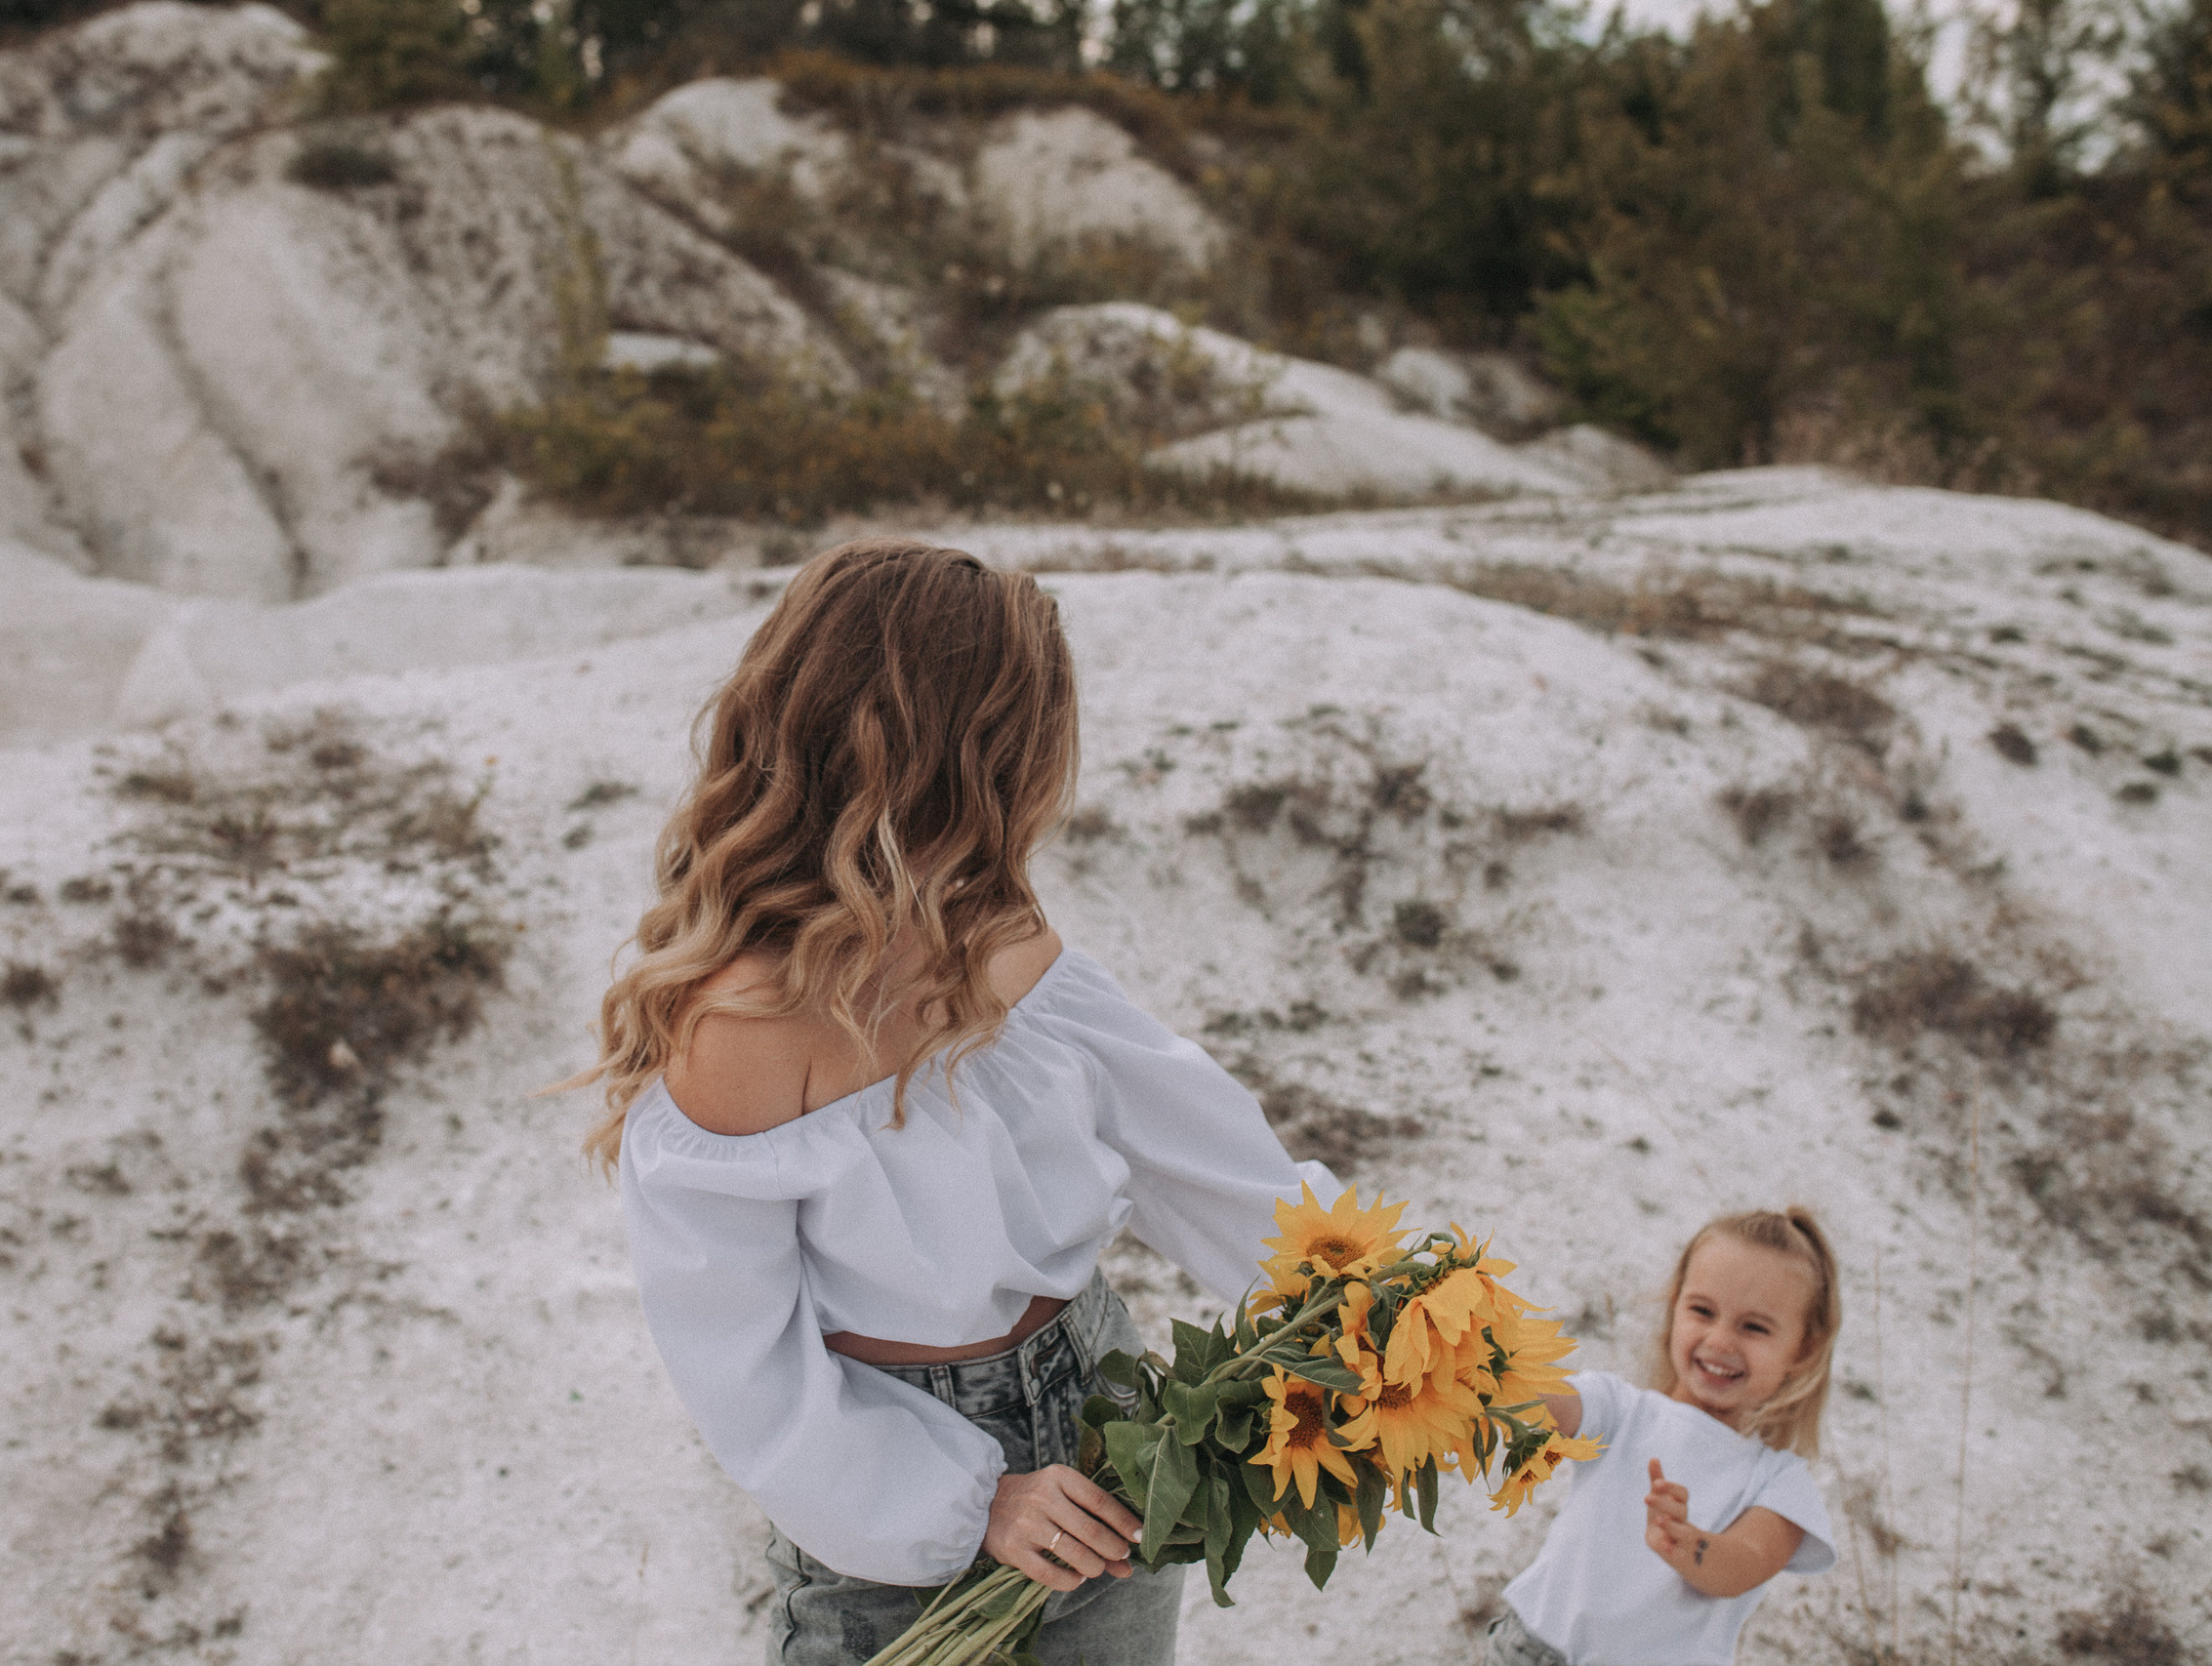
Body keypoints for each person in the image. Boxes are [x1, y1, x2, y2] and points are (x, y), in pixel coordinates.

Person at [570, 539, 1340, 1666]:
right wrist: (967, 1501)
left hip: (1105, 1420)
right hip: (888, 1486)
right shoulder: (739, 1032)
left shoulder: (1005, 937)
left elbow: (1191, 1151)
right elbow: (743, 1367)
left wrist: (1357, 1302)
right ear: (967, 761)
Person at [1484, 1208, 1844, 1666]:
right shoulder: (1621, 1409)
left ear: (1804, 1348)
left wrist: (1687, 1541)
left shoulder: (1780, 1480)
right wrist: (1484, 1355)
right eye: (1702, 1311)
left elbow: (1745, 1564)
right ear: (1674, 1308)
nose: (1720, 1340)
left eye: (1754, 1327)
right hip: (1532, 1646)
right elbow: (1553, 1404)